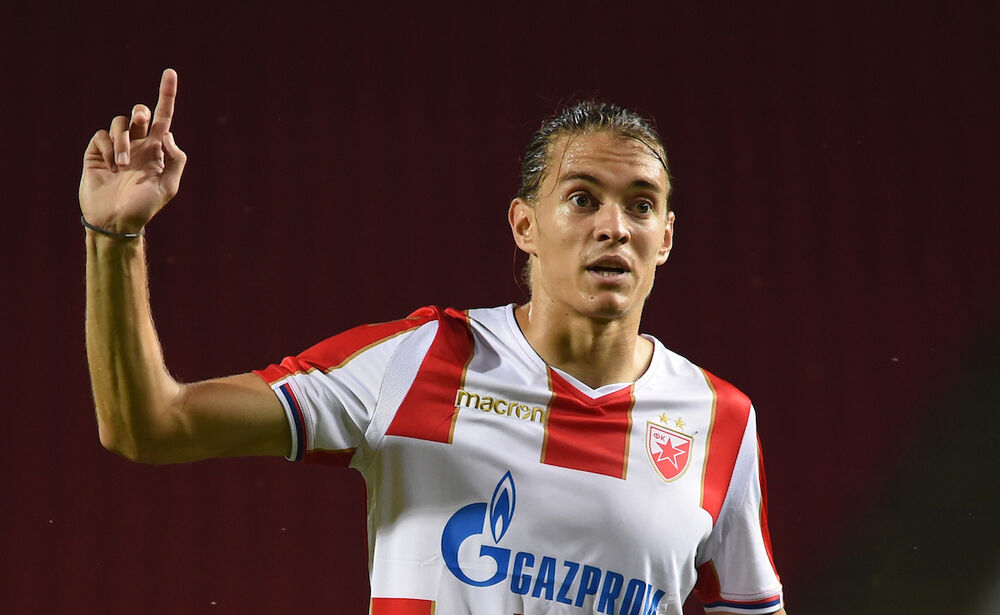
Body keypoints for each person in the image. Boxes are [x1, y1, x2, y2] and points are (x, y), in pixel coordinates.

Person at [81, 69, 785, 615]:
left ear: (665, 238)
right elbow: (151, 425)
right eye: (581, 198)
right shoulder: (418, 361)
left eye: (641, 205)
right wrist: (114, 237)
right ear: (525, 225)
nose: (614, 227)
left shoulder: (719, 421)